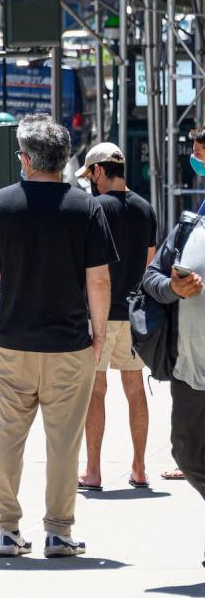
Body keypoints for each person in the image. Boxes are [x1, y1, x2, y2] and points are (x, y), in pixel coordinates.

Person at [0, 114, 117, 558]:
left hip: (11, 343)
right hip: (69, 346)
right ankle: (57, 530)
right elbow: (100, 282)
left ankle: (6, 530)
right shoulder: (86, 207)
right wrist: (98, 336)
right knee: (63, 443)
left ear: (26, 159)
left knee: (6, 440)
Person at [72, 143, 157, 491]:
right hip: (136, 315)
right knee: (135, 390)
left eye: (90, 174)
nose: (90, 182)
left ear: (99, 171)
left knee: (97, 391)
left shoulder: (94, 209)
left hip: (99, 313)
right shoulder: (146, 209)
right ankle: (139, 468)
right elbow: (151, 264)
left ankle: (93, 470)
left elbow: (85, 265)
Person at [142, 204, 205, 558]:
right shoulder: (189, 227)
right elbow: (150, 278)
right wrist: (172, 287)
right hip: (189, 368)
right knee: (185, 452)